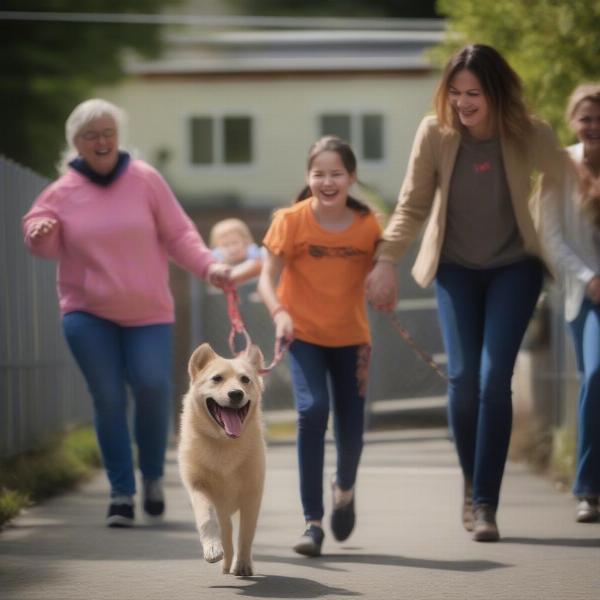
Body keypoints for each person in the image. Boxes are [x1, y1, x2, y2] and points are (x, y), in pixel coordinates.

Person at [366, 44, 566, 542]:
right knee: (461, 377)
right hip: (455, 268)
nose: (462, 103)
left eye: (473, 93)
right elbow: (411, 204)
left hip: (515, 268)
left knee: (494, 377)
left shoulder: (531, 132)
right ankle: (472, 484)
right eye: (454, 93)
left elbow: (572, 181)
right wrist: (387, 260)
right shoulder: (435, 133)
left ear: (496, 92)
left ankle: (486, 505)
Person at [22, 98, 231, 528]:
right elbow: (38, 236)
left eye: (107, 132)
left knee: (153, 387)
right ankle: (121, 492)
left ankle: (152, 476)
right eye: (90, 135)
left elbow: (179, 233)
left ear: (117, 136)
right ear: (75, 143)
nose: (101, 141)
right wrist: (39, 232)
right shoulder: (61, 191)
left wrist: (210, 267)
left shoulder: (145, 179)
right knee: (110, 398)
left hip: (147, 310)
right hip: (87, 311)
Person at [258, 136, 381, 556]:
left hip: (352, 340)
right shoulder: (290, 221)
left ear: (351, 178)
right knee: (312, 411)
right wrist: (279, 313)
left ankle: (343, 490)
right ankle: (312, 522)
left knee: (351, 432)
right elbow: (265, 276)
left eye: (336, 174)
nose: (327, 182)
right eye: (318, 174)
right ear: (307, 178)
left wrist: (385, 281)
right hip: (302, 335)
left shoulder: (369, 225)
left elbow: (386, 268)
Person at [541, 83, 600, 523]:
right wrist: (587, 276)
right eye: (585, 118)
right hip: (587, 296)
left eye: (599, 118)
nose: (592, 125)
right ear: (572, 122)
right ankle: (588, 487)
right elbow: (551, 236)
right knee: (594, 378)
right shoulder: (559, 166)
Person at [209, 217, 264, 284]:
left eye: (235, 243)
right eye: (225, 245)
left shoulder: (252, 252)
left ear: (245, 242)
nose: (232, 249)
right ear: (217, 247)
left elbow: (258, 264)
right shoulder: (216, 256)